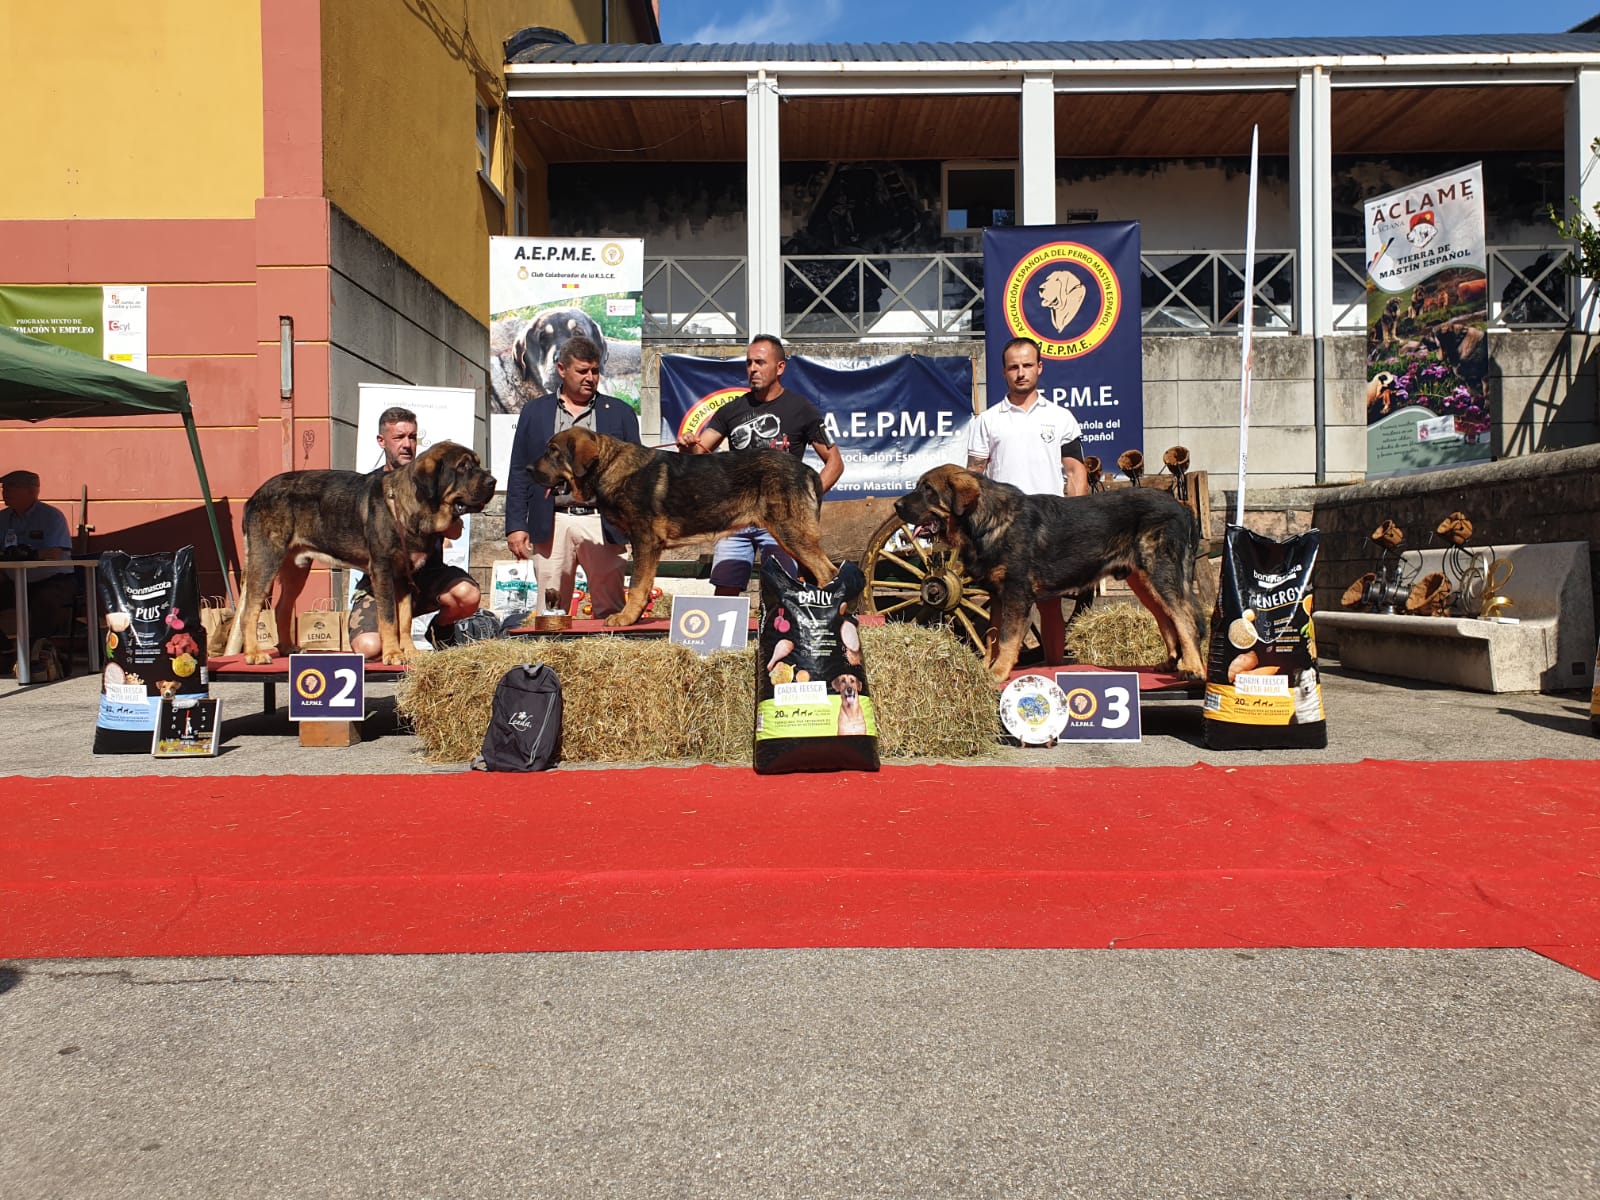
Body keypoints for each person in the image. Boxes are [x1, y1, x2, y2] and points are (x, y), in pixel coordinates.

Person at [678, 334, 844, 595]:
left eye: (760, 362)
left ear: (780, 367)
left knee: (783, 591)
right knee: (725, 590)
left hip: (781, 515)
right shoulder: (731, 410)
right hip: (737, 517)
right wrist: (688, 447)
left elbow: (834, 463)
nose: (752, 369)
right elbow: (701, 451)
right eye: (748, 363)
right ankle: (727, 637)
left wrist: (802, 502)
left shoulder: (802, 409)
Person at [965, 336, 1090, 665]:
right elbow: (973, 478)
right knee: (999, 601)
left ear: (1039, 367)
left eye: (1027, 365)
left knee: (1050, 603)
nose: (1021, 373)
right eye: (1013, 367)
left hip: (1048, 524)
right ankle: (993, 674)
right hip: (1002, 529)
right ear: (1004, 372)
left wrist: (1075, 524)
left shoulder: (1061, 417)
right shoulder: (987, 421)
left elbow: (1076, 473)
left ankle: (1054, 669)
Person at [505, 335, 641, 618]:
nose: (590, 377)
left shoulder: (621, 413)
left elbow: (636, 474)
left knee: (610, 611)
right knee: (550, 613)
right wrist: (516, 525)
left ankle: (608, 658)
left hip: (602, 522)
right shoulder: (535, 412)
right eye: (582, 371)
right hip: (553, 521)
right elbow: (520, 469)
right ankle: (549, 660)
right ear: (561, 369)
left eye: (595, 371)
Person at [346, 406, 484, 658]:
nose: (407, 444)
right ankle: (387, 635)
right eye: (399, 438)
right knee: (367, 647)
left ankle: (440, 630)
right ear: (382, 441)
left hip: (427, 579)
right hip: (381, 585)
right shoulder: (370, 487)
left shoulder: (435, 482)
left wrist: (443, 512)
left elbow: (455, 533)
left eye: (412, 437)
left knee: (468, 595)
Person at [0, 469, 76, 671]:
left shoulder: (51, 516)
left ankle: (36, 654)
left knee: (45, 601)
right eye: (3, 488)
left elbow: (55, 553)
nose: (4, 492)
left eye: (11, 488)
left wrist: (28, 554)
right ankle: (5, 649)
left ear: (32, 491)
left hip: (53, 579)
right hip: (15, 580)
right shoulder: (3, 518)